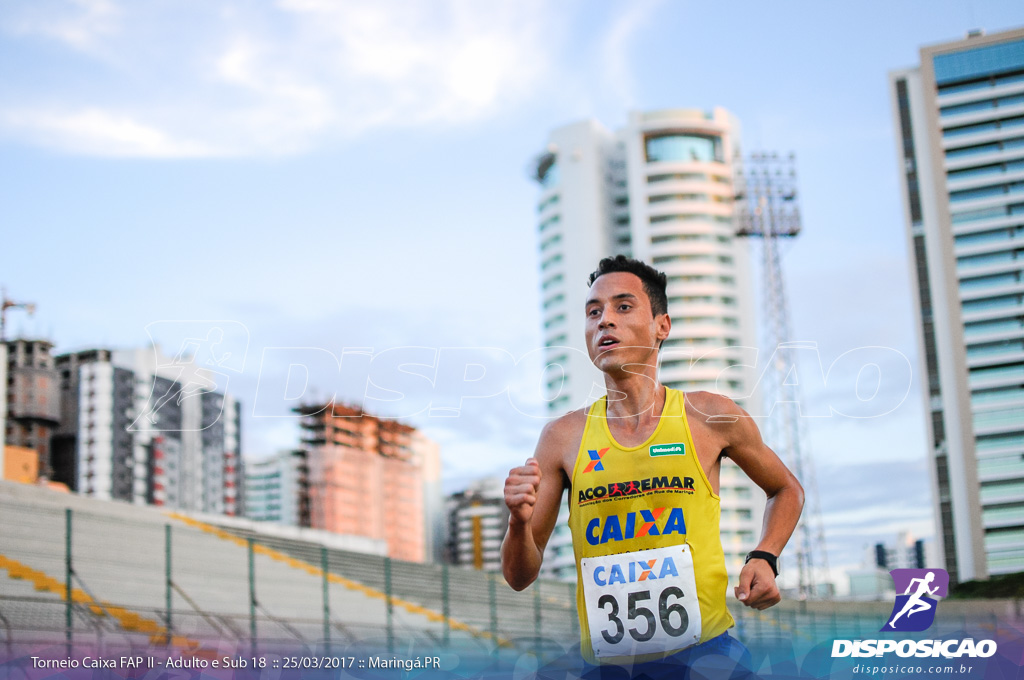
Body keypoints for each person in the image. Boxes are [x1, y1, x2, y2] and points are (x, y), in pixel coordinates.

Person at [501, 255, 804, 677]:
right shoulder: (561, 438)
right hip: (610, 666)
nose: (605, 320)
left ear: (662, 325)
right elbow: (519, 576)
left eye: (623, 307)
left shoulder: (710, 415)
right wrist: (518, 521)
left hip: (707, 658)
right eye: (594, 312)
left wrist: (765, 555)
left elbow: (786, 489)